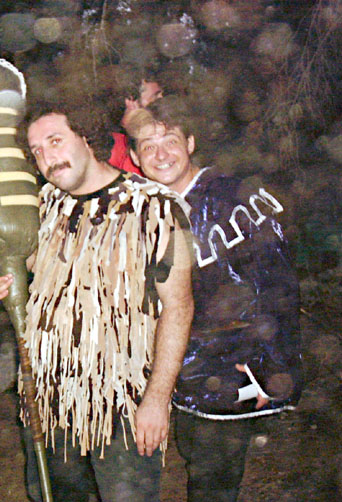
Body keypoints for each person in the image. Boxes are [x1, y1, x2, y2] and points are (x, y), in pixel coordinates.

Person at [0, 102, 194, 502]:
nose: (48, 158)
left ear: (85, 137)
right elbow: (20, 265)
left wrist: (157, 399)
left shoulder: (154, 207)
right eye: (37, 150)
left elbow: (178, 307)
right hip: (49, 397)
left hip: (122, 404)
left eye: (55, 141)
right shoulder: (41, 205)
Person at [124, 96, 303, 502]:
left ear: (190, 143)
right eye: (148, 146)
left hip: (230, 369)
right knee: (191, 455)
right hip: (179, 368)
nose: (160, 155)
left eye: (170, 141)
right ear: (135, 157)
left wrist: (269, 364)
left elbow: (275, 284)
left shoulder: (233, 198)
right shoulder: (143, 208)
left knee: (212, 479)